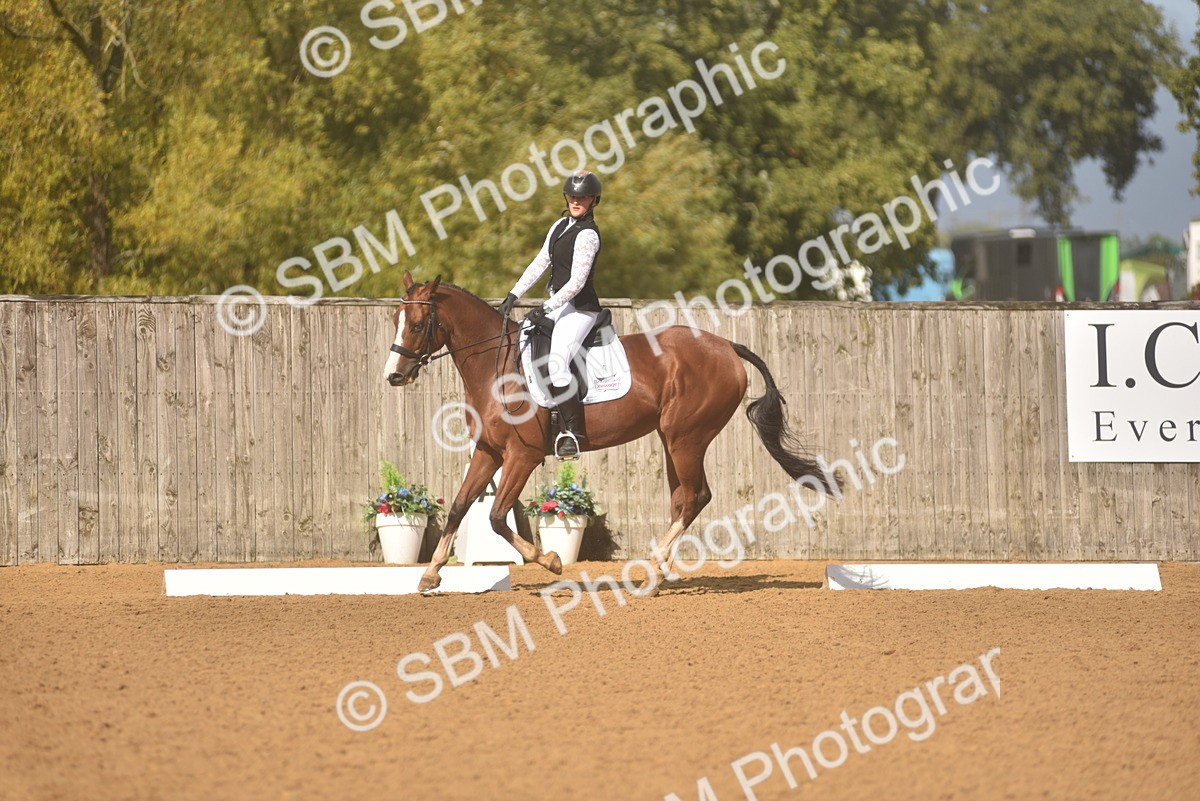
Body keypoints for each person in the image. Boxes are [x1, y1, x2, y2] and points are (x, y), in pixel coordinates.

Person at [497, 169, 603, 460]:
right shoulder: (559, 226)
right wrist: (513, 294)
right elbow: (540, 261)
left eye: (583, 196)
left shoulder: (588, 235)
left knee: (557, 364)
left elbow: (577, 283)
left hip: (580, 309)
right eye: (572, 195)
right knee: (526, 345)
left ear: (594, 200)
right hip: (559, 305)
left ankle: (572, 434)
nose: (576, 200)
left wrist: (545, 307)